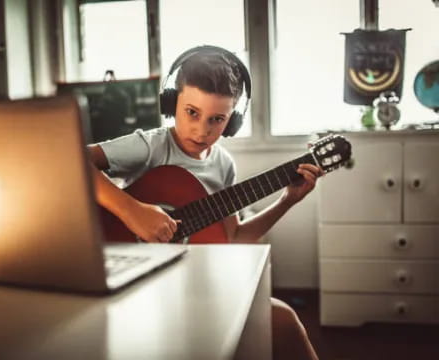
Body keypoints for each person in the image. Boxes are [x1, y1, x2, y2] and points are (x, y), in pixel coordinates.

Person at [88, 45, 321, 360]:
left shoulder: (223, 165)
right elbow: (70, 160)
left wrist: (287, 201)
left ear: (233, 120)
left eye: (217, 119)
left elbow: (234, 237)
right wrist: (132, 212)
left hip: (189, 285)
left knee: (285, 322)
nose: (201, 130)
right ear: (173, 102)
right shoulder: (151, 147)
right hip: (132, 279)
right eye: (192, 113)